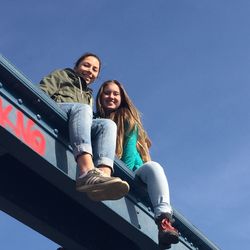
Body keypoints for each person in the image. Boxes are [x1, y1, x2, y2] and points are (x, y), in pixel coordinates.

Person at [96, 80, 179, 248]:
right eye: (107, 93)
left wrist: (122, 174)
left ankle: (164, 222)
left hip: (132, 172)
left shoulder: (125, 116)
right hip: (104, 169)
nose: (111, 96)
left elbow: (129, 154)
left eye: (115, 94)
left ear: (122, 98)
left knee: (154, 167)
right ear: (100, 96)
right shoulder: (96, 119)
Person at [39, 54, 129, 201]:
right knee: (83, 109)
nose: (90, 71)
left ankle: (103, 176)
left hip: (76, 121)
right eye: (86, 65)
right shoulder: (62, 75)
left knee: (107, 124)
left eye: (95, 69)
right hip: (58, 113)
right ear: (76, 66)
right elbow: (42, 92)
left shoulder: (88, 96)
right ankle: (86, 170)